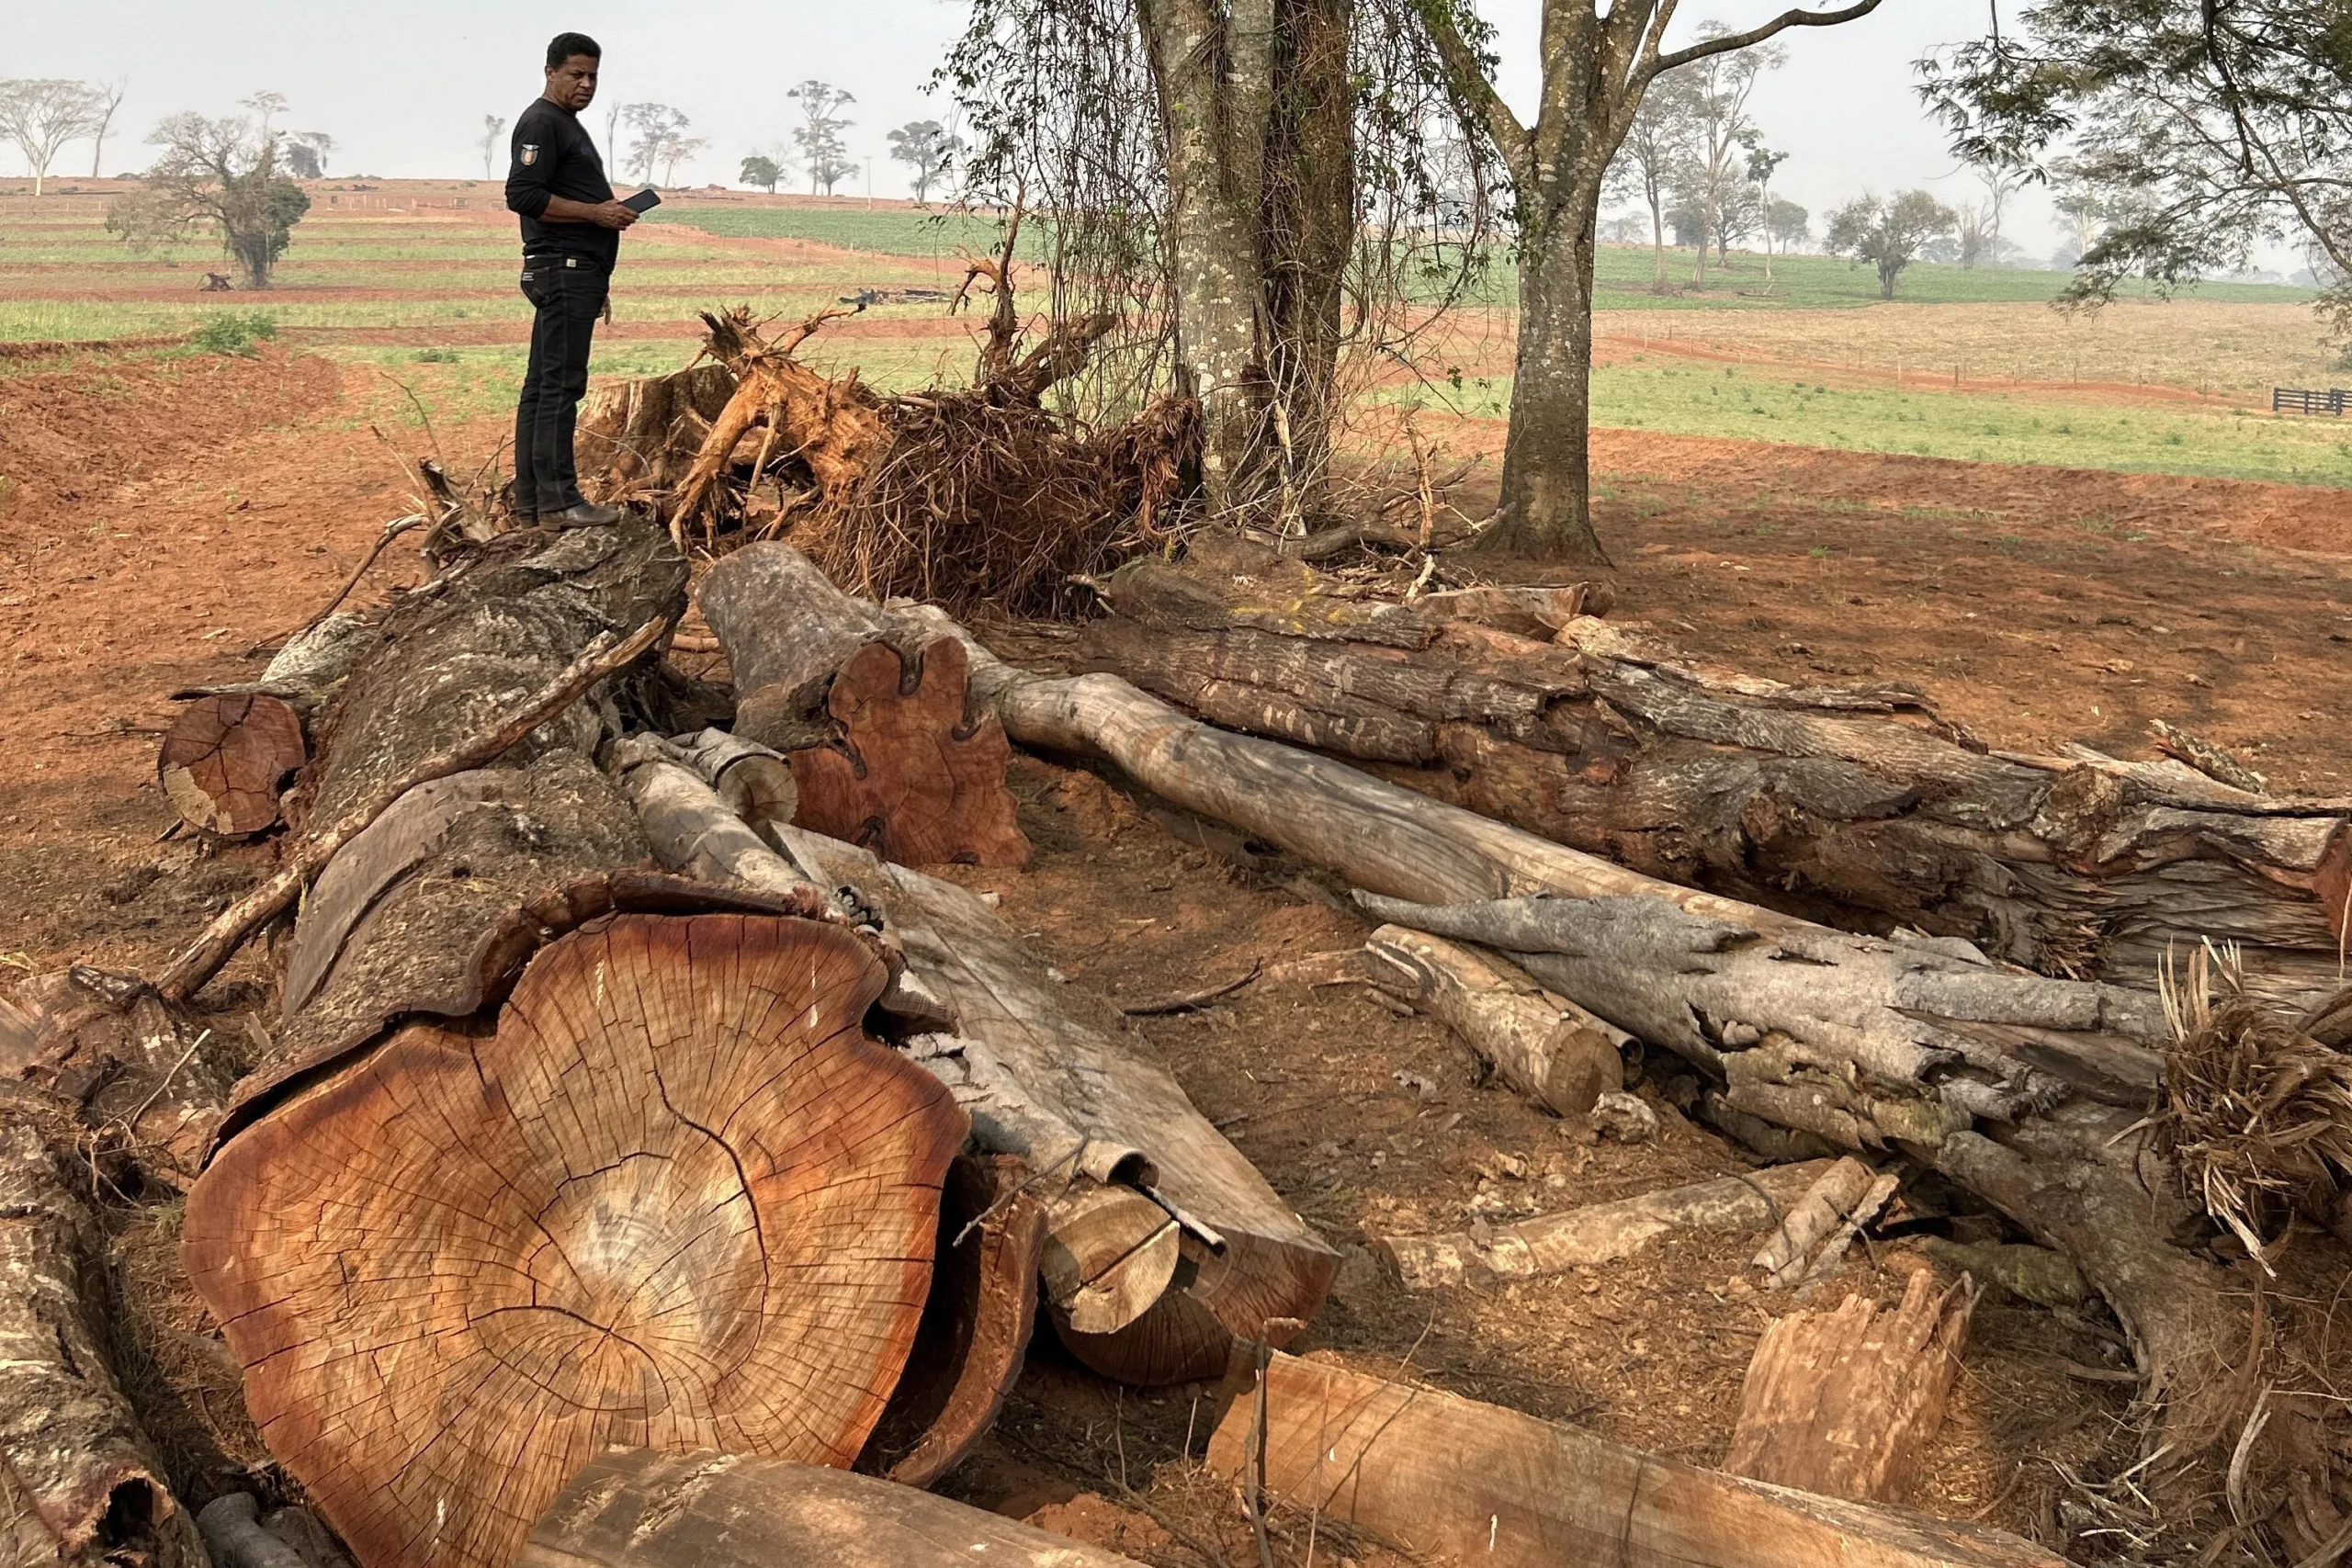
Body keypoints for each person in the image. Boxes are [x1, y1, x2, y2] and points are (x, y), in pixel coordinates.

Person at [504, 31, 638, 525]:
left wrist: (598, 274)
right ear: (550, 72)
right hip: (563, 267)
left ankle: (531, 503)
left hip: (574, 271)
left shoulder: (563, 124)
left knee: (542, 386)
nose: (586, 85)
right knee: (561, 385)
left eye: (593, 76)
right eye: (576, 74)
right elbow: (523, 194)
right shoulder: (542, 122)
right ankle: (560, 501)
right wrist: (597, 214)